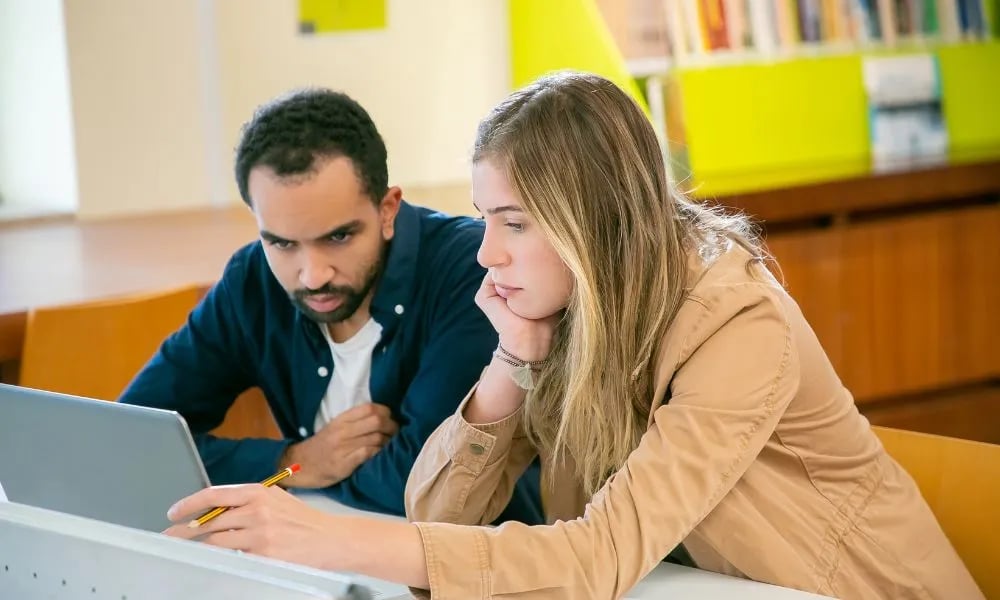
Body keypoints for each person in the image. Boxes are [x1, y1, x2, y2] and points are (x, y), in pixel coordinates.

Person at [164, 72, 983, 599]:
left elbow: (596, 558)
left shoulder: (736, 321)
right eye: (487, 219)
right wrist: (513, 361)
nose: (486, 253)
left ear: (592, 223)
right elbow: (440, 512)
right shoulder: (557, 310)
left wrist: (341, 538)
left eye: (514, 222)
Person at [121, 88, 542, 524]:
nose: (313, 275)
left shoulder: (470, 269)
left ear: (387, 209)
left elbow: (425, 486)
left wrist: (304, 476)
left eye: (338, 237)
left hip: (475, 565)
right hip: (322, 554)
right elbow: (134, 436)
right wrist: (295, 461)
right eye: (282, 242)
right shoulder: (252, 279)